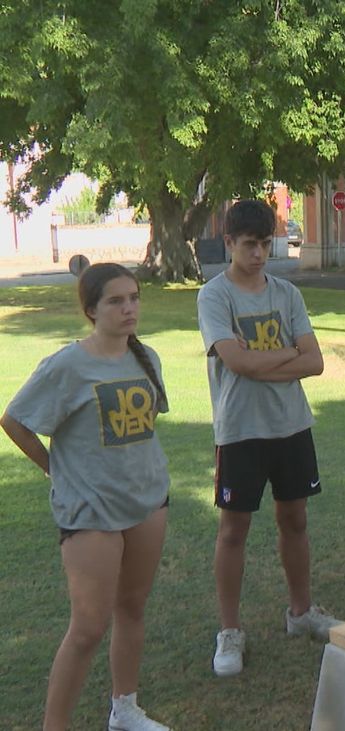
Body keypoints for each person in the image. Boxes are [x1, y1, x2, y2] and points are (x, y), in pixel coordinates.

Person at [1, 263, 172, 730]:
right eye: (116, 301)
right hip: (91, 512)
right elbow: (14, 420)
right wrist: (56, 469)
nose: (129, 307)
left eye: (134, 297)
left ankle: (125, 710)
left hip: (147, 502)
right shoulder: (66, 366)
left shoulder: (147, 358)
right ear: (91, 309)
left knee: (132, 608)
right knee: (89, 626)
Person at [197, 199, 338, 678]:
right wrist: (285, 357)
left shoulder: (286, 293)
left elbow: (316, 363)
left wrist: (265, 362)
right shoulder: (215, 296)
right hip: (240, 430)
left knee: (294, 520)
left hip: (291, 425)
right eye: (249, 244)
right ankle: (230, 631)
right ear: (230, 243)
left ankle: (301, 613)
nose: (258, 254)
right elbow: (238, 363)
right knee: (233, 530)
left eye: (265, 244)